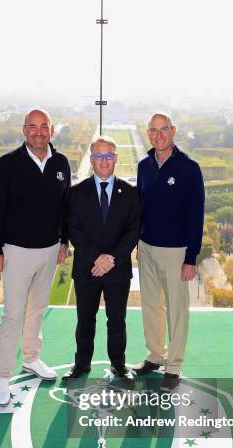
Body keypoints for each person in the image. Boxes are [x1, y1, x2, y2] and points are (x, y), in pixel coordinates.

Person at [0, 108, 70, 406]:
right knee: (13, 314)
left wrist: (64, 242)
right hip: (16, 252)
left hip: (49, 250)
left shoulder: (61, 163)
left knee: (38, 309)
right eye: (32, 127)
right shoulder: (6, 165)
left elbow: (65, 207)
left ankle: (31, 358)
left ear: (51, 131)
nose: (38, 132)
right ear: (24, 130)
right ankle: (2, 375)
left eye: (43, 126)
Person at [134, 112, 205, 388]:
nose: (158, 135)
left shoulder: (189, 168)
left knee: (177, 310)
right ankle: (155, 355)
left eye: (164, 130)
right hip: (147, 248)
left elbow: (196, 214)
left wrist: (191, 257)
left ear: (173, 131)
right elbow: (140, 208)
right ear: (148, 133)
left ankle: (173, 366)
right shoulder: (144, 165)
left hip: (175, 251)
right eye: (153, 130)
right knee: (151, 305)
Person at [62, 136, 141, 381]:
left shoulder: (130, 193)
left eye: (109, 156)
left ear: (115, 158)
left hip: (117, 270)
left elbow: (133, 231)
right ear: (91, 159)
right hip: (87, 268)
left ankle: (119, 365)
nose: (104, 161)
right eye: (99, 156)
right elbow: (73, 229)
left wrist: (111, 259)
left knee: (117, 321)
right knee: (85, 320)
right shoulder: (76, 193)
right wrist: (97, 258)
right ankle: (81, 365)